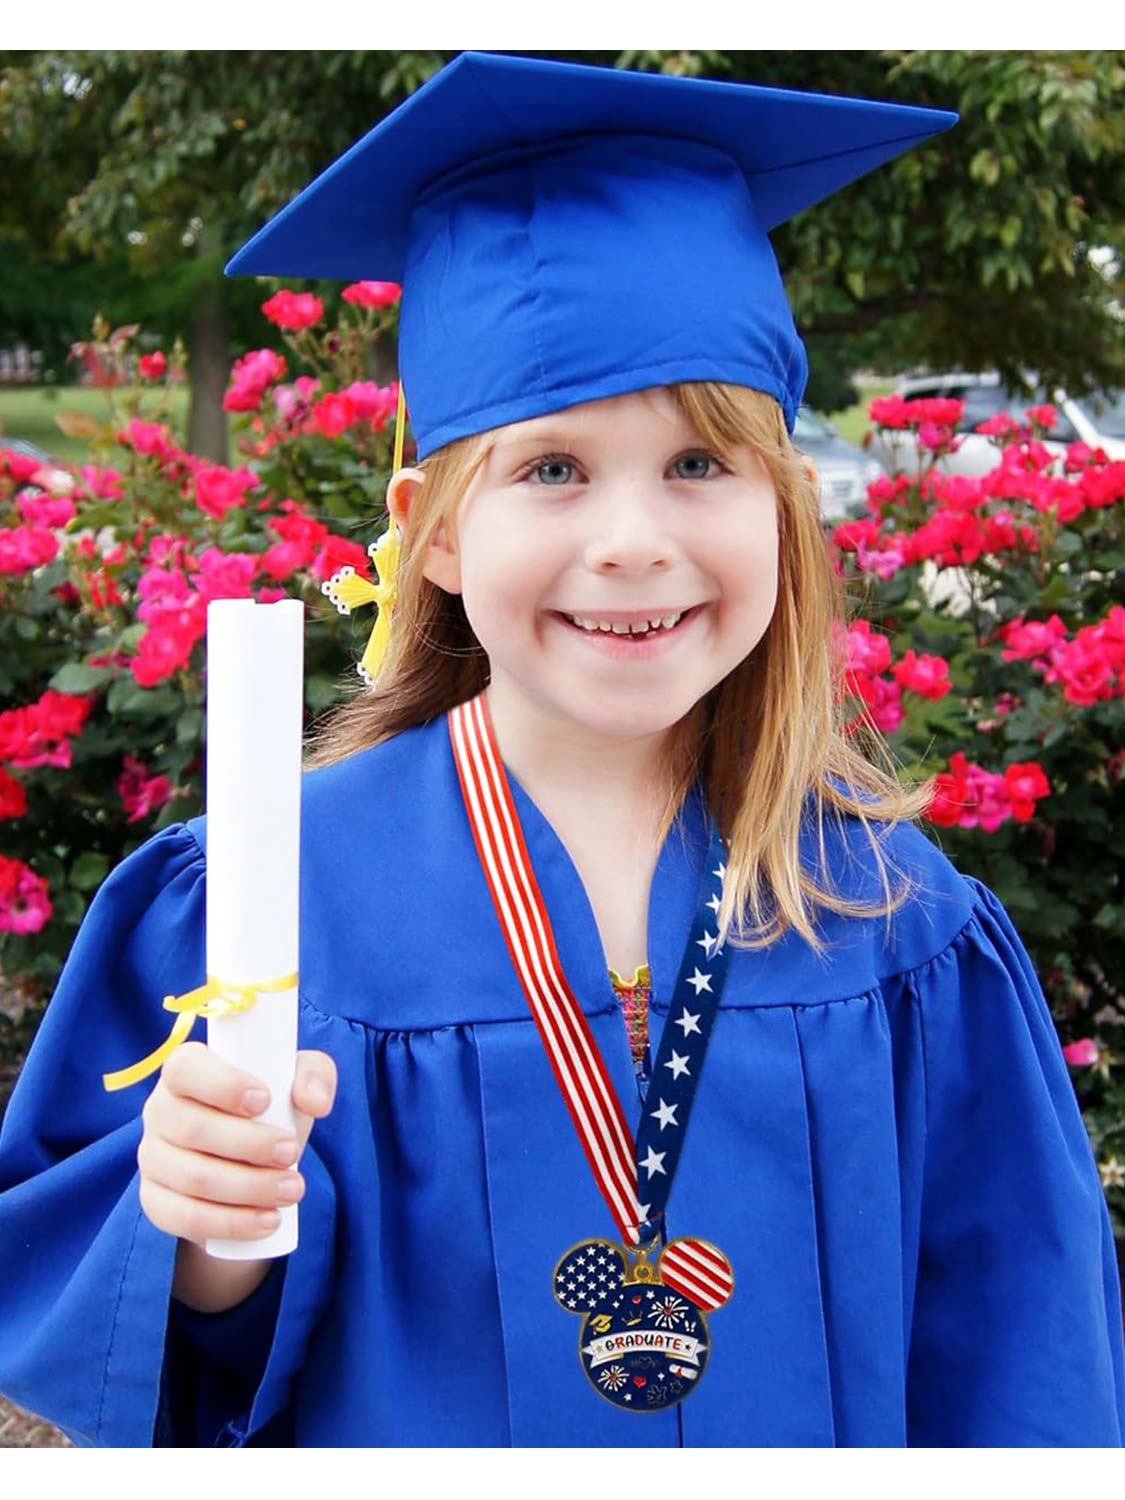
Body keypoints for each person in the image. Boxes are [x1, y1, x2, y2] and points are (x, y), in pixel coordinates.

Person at [1, 51, 1123, 1449]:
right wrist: (210, 1235)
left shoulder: (901, 926)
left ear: (784, 510)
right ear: (438, 531)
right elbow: (141, 1355)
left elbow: (1025, 1380)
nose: (634, 537)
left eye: (701, 465)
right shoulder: (258, 906)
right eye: (551, 468)